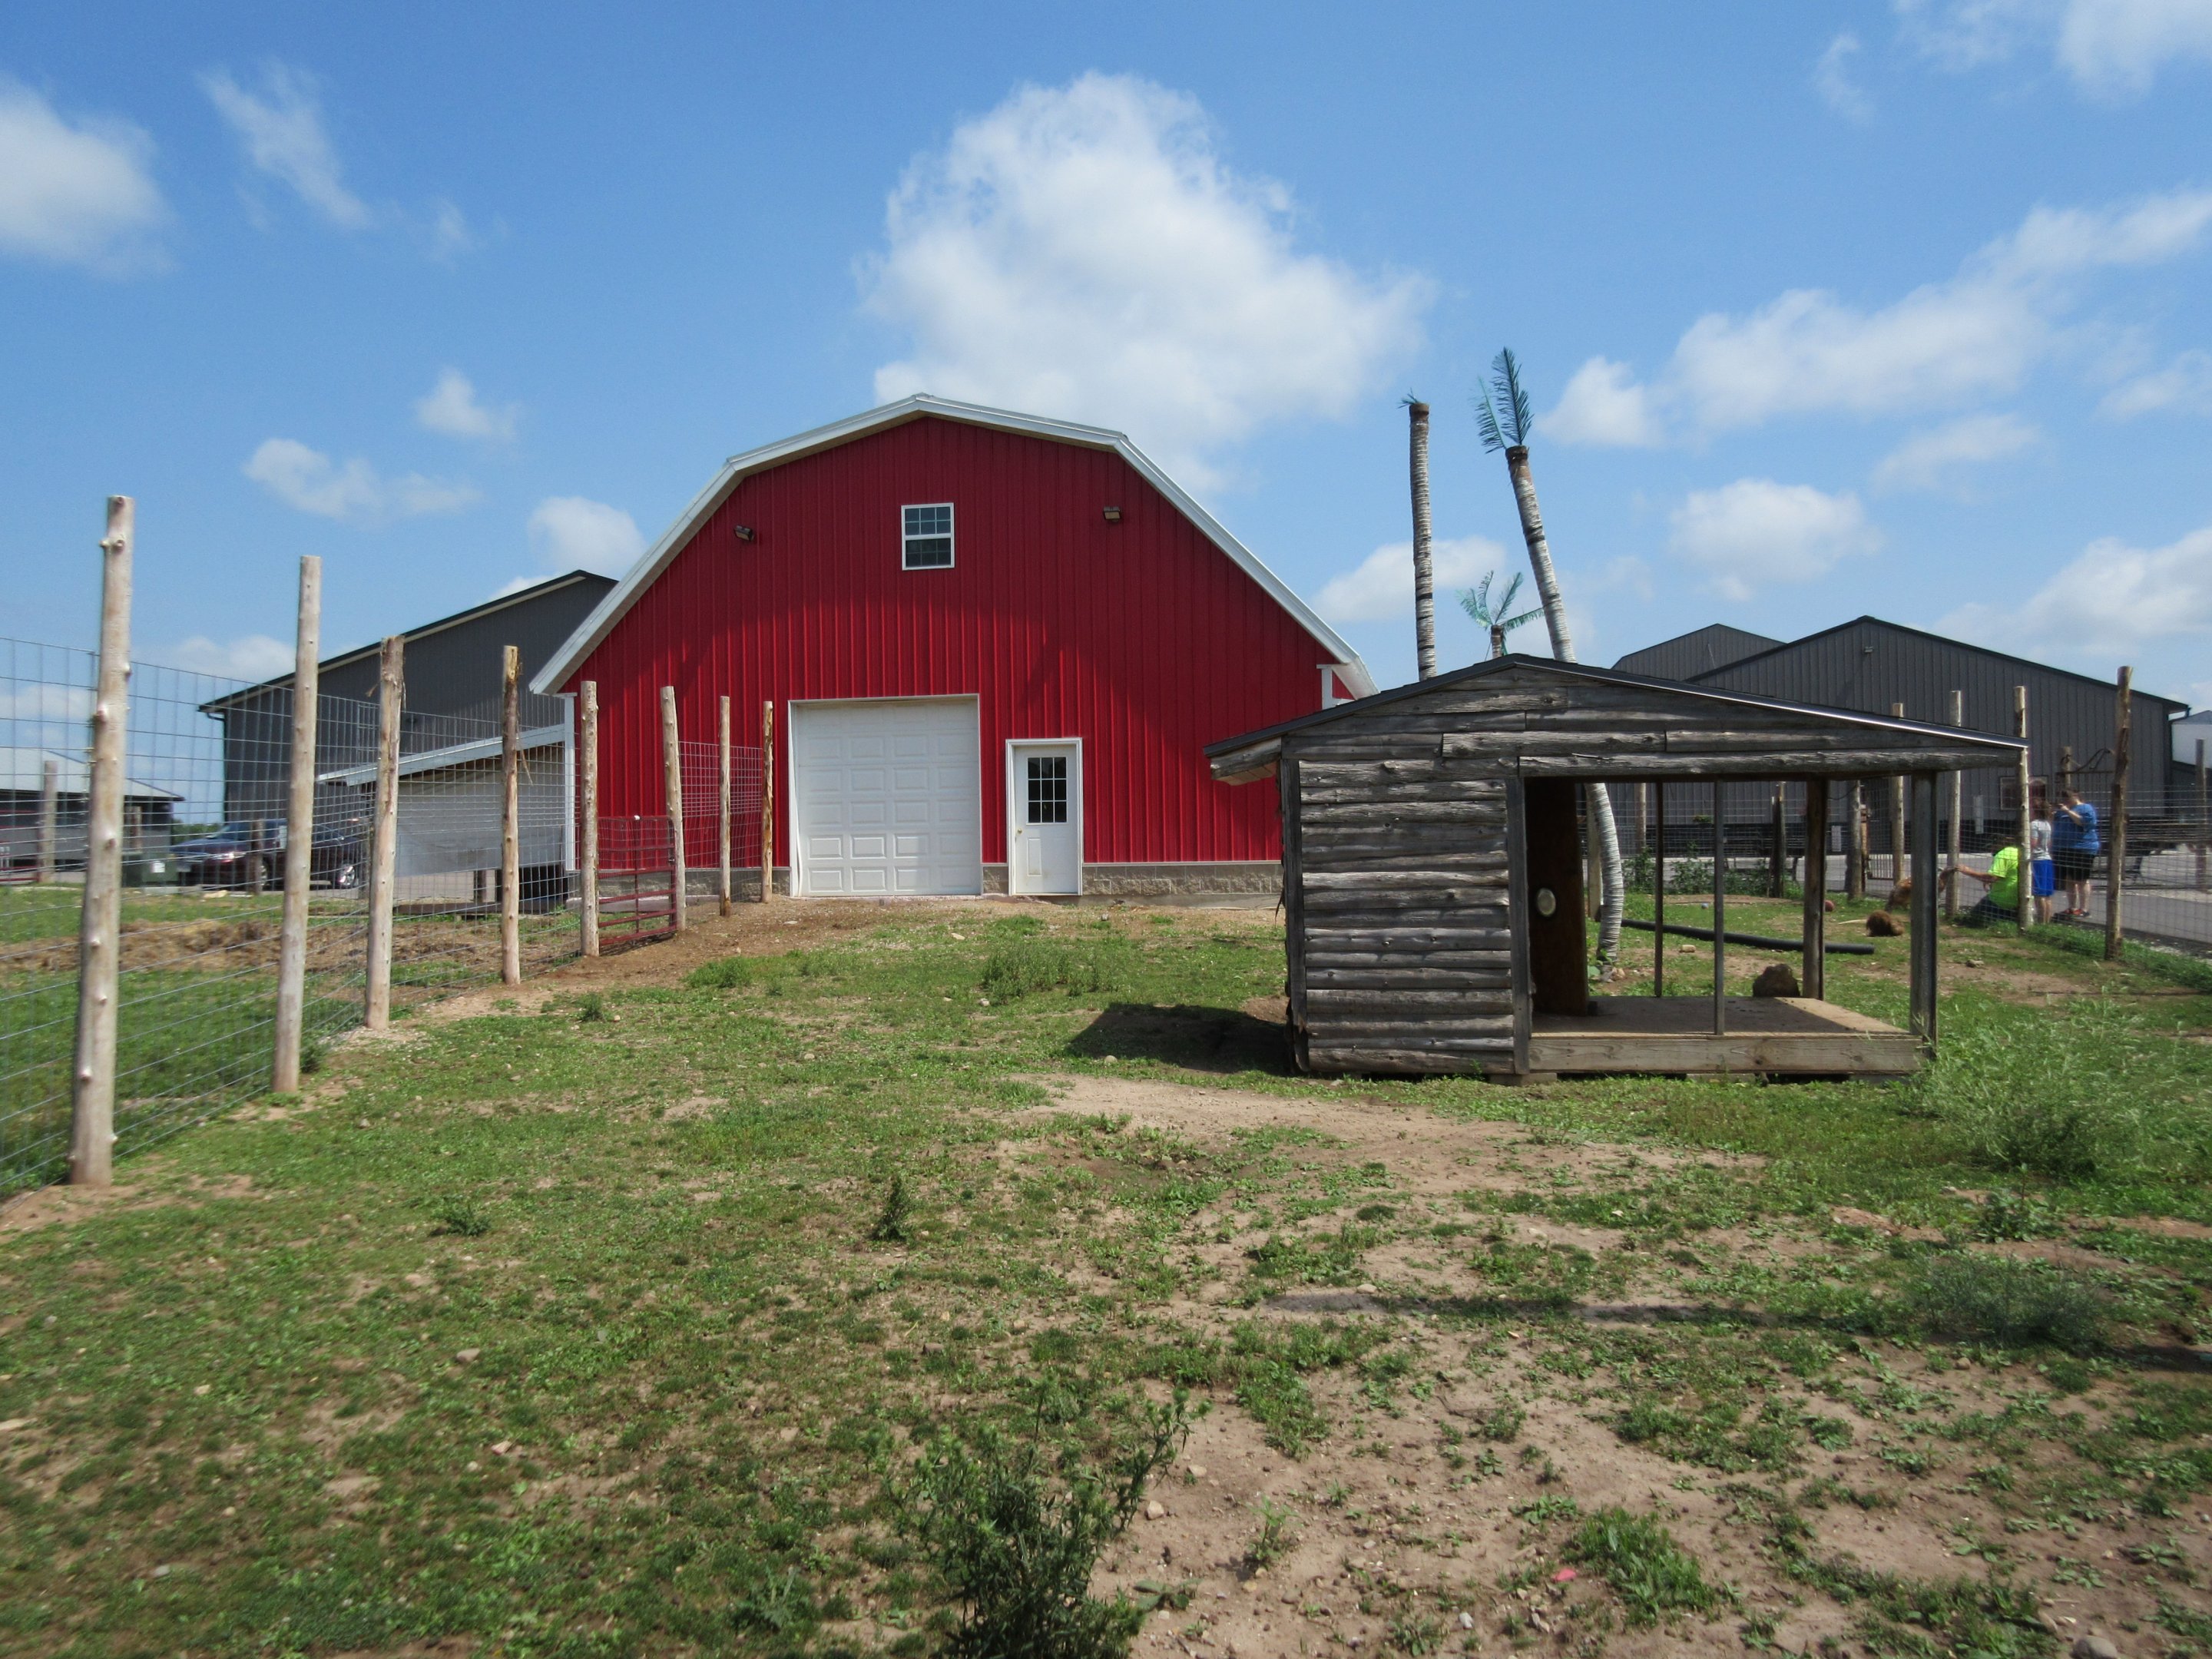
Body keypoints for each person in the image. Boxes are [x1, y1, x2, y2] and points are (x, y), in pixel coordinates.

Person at [2051, 787, 2100, 919]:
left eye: (2067, 798)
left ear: (2076, 796)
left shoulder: (2086, 808)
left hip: (2082, 847)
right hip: (2063, 847)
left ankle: (2084, 909)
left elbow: (2084, 823)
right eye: (2062, 798)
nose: (2065, 801)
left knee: (2081, 879)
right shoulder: (2061, 812)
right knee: (2069, 879)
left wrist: (2068, 811)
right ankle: (2072, 907)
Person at [1959, 830, 2022, 926]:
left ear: (2000, 844)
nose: (1991, 850)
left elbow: (1992, 878)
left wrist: (1967, 871)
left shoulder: (2002, 855)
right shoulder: (2016, 851)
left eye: (1993, 847)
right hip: (2019, 897)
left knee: (1972, 918)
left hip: (2002, 899)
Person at [2028, 783, 2055, 924]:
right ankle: (2047, 922)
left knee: (2039, 895)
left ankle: (2040, 921)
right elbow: (2049, 843)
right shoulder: (2047, 824)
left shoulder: (2034, 824)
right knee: (2047, 894)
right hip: (2047, 858)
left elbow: (2033, 843)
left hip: (2037, 860)